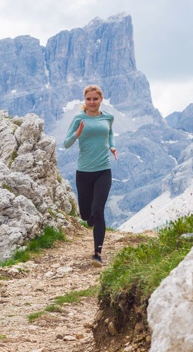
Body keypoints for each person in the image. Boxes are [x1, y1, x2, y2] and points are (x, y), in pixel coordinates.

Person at [63, 84, 117, 267]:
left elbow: (110, 135)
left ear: (101, 99)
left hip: (103, 170)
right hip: (84, 172)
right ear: (84, 101)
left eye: (95, 99)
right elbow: (67, 142)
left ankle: (97, 254)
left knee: (99, 211)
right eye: (88, 99)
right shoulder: (79, 118)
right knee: (86, 214)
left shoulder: (108, 117)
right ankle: (90, 217)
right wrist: (77, 133)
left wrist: (112, 146)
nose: (92, 102)